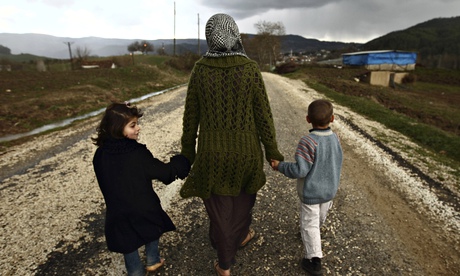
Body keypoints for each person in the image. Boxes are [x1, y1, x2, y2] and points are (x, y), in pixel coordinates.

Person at [179, 13, 284, 276]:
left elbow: (190, 117)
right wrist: (272, 151)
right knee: (242, 205)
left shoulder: (200, 69)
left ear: (209, 37)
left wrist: (187, 154)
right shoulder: (249, 69)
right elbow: (263, 116)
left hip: (211, 154)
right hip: (246, 152)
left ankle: (224, 254)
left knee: (219, 209)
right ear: (235, 34)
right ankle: (227, 257)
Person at [92, 102, 190, 276]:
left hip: (117, 210)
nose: (138, 128)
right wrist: (181, 161)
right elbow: (165, 173)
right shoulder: (137, 153)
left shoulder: (100, 154)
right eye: (133, 125)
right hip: (143, 206)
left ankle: (136, 271)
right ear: (117, 128)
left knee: (127, 242)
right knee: (152, 225)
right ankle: (152, 260)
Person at [271, 99, 343, 275]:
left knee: (309, 224)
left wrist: (280, 166)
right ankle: (313, 238)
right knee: (318, 219)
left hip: (311, 192)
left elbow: (300, 170)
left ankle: (313, 259)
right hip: (329, 191)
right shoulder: (335, 139)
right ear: (332, 118)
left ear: (307, 119)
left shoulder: (308, 141)